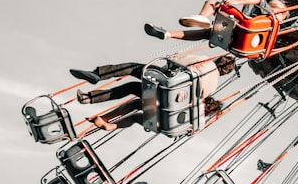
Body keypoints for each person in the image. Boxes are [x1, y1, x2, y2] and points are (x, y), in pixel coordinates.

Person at [74, 54, 236, 131]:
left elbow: (177, 63)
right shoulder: (212, 87)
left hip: (163, 83)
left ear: (217, 60)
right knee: (135, 96)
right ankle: (107, 121)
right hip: (165, 104)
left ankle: (96, 79)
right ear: (225, 73)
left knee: (132, 68)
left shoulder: (205, 60)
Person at [144, 0, 289, 41]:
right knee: (207, 34)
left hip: (239, 27)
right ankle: (169, 34)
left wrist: (237, 2)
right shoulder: (273, 29)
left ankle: (202, 17)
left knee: (212, 3)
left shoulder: (269, 14)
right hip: (237, 40)